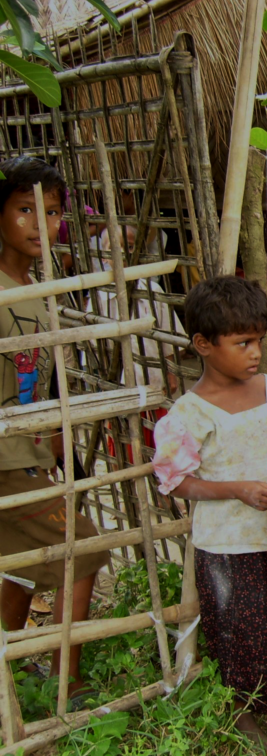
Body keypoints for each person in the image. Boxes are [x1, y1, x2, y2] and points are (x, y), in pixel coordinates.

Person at [152, 276, 267, 755]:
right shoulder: (189, 412)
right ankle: (245, 716)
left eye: (258, 341)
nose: (255, 352)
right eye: (242, 343)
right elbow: (176, 481)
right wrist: (233, 490)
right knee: (241, 633)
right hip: (228, 543)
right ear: (203, 344)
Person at [0, 157, 110, 705]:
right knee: (83, 548)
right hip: (3, 462)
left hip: (29, 455)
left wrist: (52, 446)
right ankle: (66, 682)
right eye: (25, 211)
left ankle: (10, 666)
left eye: (50, 213)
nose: (41, 226)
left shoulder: (36, 290)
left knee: (20, 565)